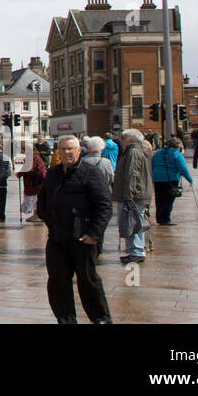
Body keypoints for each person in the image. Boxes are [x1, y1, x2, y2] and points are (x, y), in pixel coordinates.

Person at [37, 135, 113, 323]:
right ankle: (65, 319)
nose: (66, 152)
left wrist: (95, 234)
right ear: (58, 152)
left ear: (79, 151)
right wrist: (48, 220)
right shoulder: (53, 173)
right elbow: (42, 201)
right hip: (57, 238)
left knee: (88, 281)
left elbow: (104, 205)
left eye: (71, 149)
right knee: (57, 281)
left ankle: (101, 318)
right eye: (62, 149)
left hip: (83, 238)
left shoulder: (90, 172)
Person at [113, 129, 153, 265]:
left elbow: (132, 174)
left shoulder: (133, 152)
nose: (121, 140)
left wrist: (128, 196)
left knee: (131, 223)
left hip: (133, 196)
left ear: (130, 140)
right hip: (136, 194)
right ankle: (135, 250)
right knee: (133, 222)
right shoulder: (138, 150)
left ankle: (136, 251)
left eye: (123, 138)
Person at [151, 137, 193, 225]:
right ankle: (165, 219)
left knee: (159, 199)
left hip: (157, 178)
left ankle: (159, 218)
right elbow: (183, 168)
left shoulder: (158, 153)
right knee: (168, 200)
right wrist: (189, 179)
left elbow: (152, 164)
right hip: (170, 178)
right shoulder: (176, 154)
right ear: (179, 147)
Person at [17, 148, 47, 222]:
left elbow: (28, 168)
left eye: (22, 151)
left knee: (35, 199)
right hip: (35, 182)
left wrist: (20, 173)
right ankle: (36, 215)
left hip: (35, 182)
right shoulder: (34, 157)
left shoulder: (32, 158)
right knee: (36, 199)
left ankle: (37, 215)